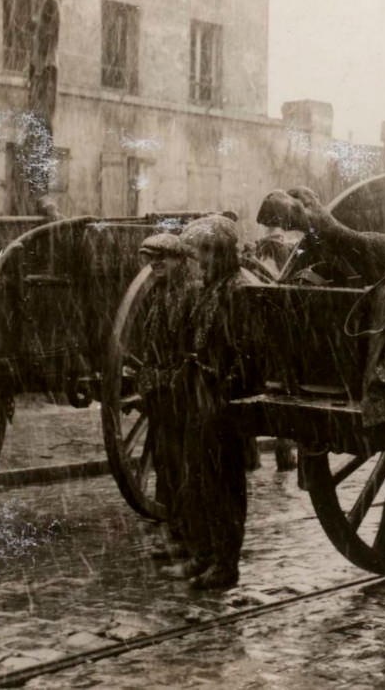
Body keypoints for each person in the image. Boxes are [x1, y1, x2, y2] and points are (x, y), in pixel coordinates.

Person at [162, 214, 257, 590]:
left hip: (223, 398)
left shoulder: (239, 290)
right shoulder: (207, 288)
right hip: (200, 392)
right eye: (200, 253)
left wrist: (228, 391)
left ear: (224, 254)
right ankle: (202, 555)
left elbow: (247, 350)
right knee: (196, 479)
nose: (203, 261)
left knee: (224, 485)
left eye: (209, 253)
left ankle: (226, 564)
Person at [135, 232, 196, 561]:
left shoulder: (188, 295)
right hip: (159, 389)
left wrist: (178, 380)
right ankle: (173, 528)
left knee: (181, 462)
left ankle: (186, 533)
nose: (156, 264)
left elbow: (191, 349)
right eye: (151, 258)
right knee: (165, 460)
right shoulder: (159, 296)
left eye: (165, 258)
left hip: (180, 391)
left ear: (180, 261)